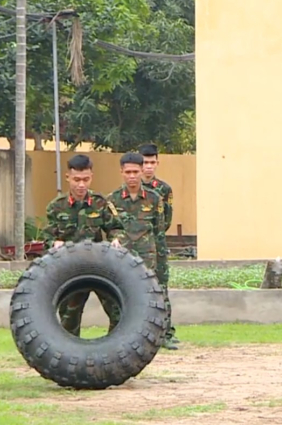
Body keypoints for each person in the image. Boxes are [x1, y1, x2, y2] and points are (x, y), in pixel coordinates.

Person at [43, 154, 126, 337]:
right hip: (71, 271)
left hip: (99, 267)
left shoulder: (100, 202)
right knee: (68, 320)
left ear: (91, 177)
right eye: (76, 180)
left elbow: (116, 228)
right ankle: (70, 357)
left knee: (120, 312)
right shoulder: (57, 207)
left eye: (86, 179)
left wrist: (115, 239)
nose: (81, 185)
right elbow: (47, 236)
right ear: (68, 177)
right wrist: (54, 243)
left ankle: (113, 352)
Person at [108, 152, 177, 350]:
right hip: (123, 255)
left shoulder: (155, 199)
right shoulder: (112, 200)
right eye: (128, 172)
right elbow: (109, 228)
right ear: (121, 172)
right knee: (120, 293)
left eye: (135, 172)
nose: (132, 176)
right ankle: (117, 335)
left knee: (153, 294)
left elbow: (159, 229)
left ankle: (160, 336)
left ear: (141, 172)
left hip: (148, 253)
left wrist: (161, 257)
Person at [137, 143, 180, 346]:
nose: (148, 167)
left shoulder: (163, 189)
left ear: (157, 163)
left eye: (152, 162)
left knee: (161, 288)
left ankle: (165, 333)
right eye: (145, 163)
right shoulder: (132, 189)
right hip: (136, 246)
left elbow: (166, 220)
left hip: (158, 245)